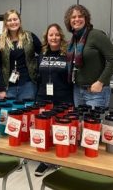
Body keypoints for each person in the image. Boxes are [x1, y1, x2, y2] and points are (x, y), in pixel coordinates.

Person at [34, 23, 73, 177]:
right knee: (44, 130)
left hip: (63, 98)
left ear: (61, 37)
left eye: (57, 34)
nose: (54, 37)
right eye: (51, 35)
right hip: (43, 98)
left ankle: (59, 161)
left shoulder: (68, 56)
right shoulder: (41, 56)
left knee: (60, 130)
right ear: (47, 37)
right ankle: (43, 161)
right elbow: (37, 77)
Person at [64, 4, 113, 108]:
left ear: (86, 19)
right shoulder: (73, 40)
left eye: (80, 16)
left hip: (96, 93)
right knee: (80, 123)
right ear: (69, 21)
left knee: (92, 124)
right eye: (73, 17)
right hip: (77, 91)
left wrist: (100, 82)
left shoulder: (96, 35)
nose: (77, 19)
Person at [0, 9, 41, 100]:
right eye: (9, 20)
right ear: (5, 23)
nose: (13, 22)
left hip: (28, 85)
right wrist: (1, 89)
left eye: (15, 19)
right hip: (8, 87)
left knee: (28, 112)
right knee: (9, 113)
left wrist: (36, 67)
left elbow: (42, 53)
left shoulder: (29, 37)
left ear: (20, 21)